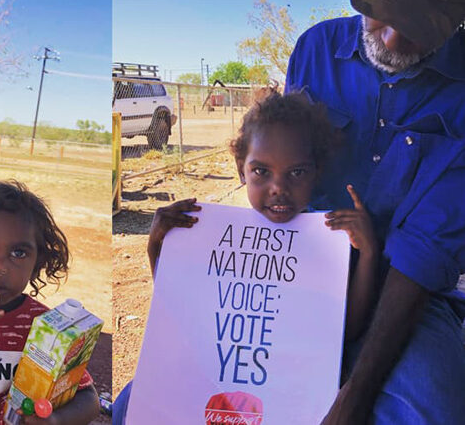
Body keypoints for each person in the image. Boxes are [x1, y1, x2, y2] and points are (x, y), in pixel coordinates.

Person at [113, 91, 380, 424]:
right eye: (261, 172)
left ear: (317, 171)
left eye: (296, 173)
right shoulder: (214, 237)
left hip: (293, 390)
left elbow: (348, 329)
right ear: (241, 168)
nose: (277, 188)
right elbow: (182, 313)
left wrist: (368, 253)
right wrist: (157, 245)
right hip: (213, 380)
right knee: (127, 405)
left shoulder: (330, 238)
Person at [285, 0, 465, 423]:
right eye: (386, 13)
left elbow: (426, 252)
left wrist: (356, 393)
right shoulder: (314, 50)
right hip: (303, 275)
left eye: (419, 25)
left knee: (431, 413)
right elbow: (279, 174)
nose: (393, 37)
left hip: (406, 293)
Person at [0, 181, 100, 425]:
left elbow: (89, 399)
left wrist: (55, 420)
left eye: (18, 253)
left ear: (37, 264)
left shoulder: (46, 328)